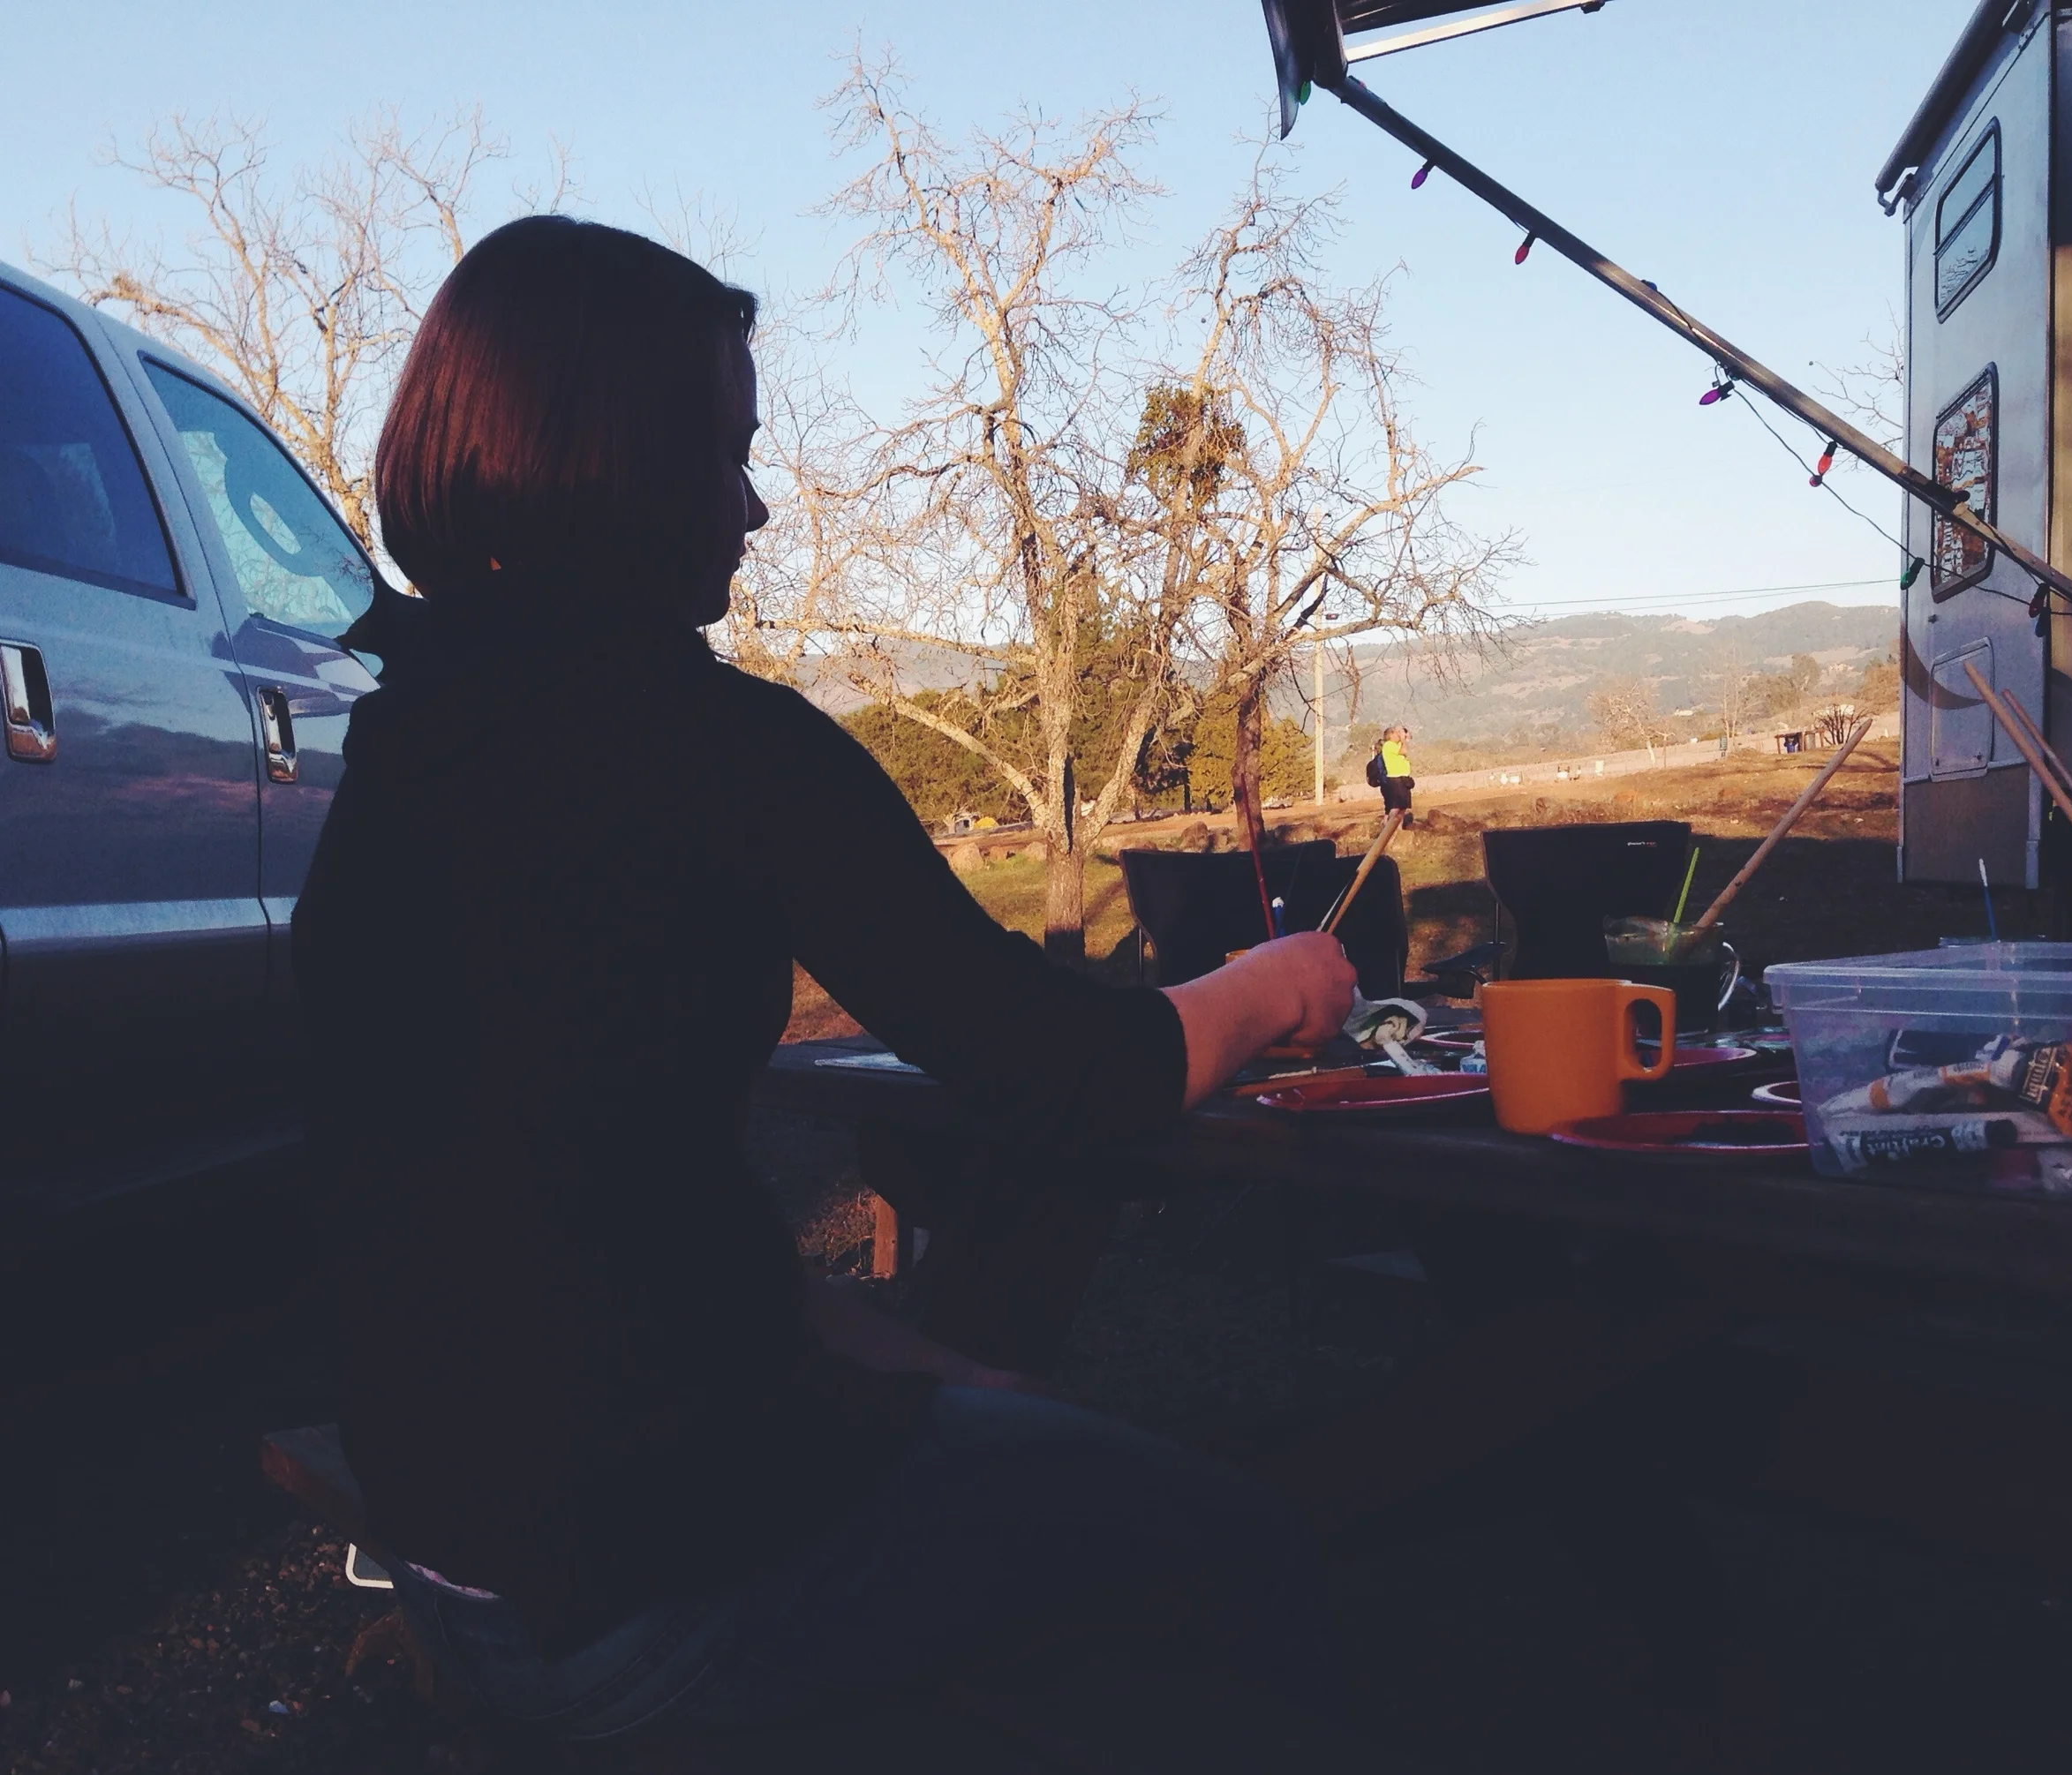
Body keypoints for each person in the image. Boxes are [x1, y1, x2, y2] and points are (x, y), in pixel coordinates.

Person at [291, 216, 1359, 1749]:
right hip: (646, 1590)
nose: (754, 504)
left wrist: (928, 1363)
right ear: (624, 464)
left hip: (460, 1563)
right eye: (726, 455)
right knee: (1246, 1543)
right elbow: (1068, 1075)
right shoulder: (713, 747)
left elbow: (581, 1203)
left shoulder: (403, 755)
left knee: (1011, 1436)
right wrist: (1275, 978)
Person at [1376, 725, 1415, 824]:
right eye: (1395, 733)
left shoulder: (1396, 745)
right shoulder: (1389, 745)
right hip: (1395, 779)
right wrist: (1402, 739)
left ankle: (1398, 827)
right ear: (1390, 735)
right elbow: (1404, 750)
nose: (1398, 735)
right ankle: (1390, 825)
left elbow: (1408, 739)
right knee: (1396, 807)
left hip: (1403, 777)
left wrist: (1404, 734)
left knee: (1404, 806)